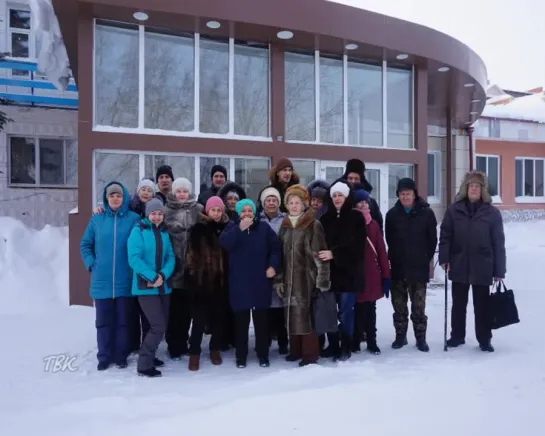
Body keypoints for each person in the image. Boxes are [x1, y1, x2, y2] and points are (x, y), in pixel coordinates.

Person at [439, 170, 506, 352]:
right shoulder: (454, 210)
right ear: (465, 189)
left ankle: (484, 339)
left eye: (477, 186)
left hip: (483, 265)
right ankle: (457, 336)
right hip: (459, 262)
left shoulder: (492, 213)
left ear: (483, 190)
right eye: (471, 186)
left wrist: (499, 270)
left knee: (482, 306)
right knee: (458, 305)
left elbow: (498, 243)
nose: (474, 189)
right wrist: (444, 258)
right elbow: (446, 235)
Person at [80, 181, 140, 371]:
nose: (115, 198)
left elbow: (139, 244)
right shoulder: (97, 220)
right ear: (107, 198)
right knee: (103, 323)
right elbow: (85, 244)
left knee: (123, 322)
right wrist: (91, 263)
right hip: (101, 281)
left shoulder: (134, 219)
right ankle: (104, 356)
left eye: (119, 195)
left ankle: (121, 355)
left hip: (125, 279)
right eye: (112, 195)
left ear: (124, 199)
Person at [219, 199, 281, 368]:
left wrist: (273, 266)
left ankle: (263, 355)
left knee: (262, 322)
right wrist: (239, 230)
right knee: (241, 323)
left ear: (254, 213)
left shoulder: (264, 228)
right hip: (240, 283)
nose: (247, 213)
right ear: (238, 213)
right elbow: (224, 243)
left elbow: (276, 248)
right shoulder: (232, 228)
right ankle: (241, 356)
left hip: (260, 281)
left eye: (250, 210)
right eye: (243, 211)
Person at [275, 185, 330, 366]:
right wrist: (279, 279)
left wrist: (321, 280)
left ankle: (309, 354)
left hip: (307, 279)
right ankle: (295, 350)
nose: (294, 206)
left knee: (307, 317)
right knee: (292, 315)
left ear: (304, 204)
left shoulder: (312, 224)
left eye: (297, 202)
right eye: (290, 202)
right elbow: (279, 256)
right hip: (289, 280)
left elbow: (321, 255)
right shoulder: (284, 226)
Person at [385, 178, 437, 352]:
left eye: (408, 193)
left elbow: (432, 240)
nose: (405, 196)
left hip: (418, 269)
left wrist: (424, 258)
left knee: (418, 307)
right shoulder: (392, 215)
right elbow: (389, 240)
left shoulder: (426, 213)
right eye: (402, 194)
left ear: (415, 194)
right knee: (399, 306)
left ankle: (420, 338)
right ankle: (400, 336)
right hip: (398, 268)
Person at [127, 198, 176, 377]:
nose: (156, 217)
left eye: (159, 213)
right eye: (153, 213)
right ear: (148, 214)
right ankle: (144, 364)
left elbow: (170, 258)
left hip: (163, 286)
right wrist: (152, 276)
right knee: (158, 325)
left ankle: (151, 356)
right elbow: (134, 259)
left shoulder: (164, 232)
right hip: (145, 286)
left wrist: (162, 275)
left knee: (151, 325)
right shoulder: (138, 231)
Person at [319, 181, 367, 361]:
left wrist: (335, 254)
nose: (337, 198)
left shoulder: (356, 218)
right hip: (330, 275)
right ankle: (333, 345)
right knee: (330, 312)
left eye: (340, 195)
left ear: (347, 197)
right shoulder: (325, 219)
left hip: (349, 273)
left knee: (346, 312)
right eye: (334, 195)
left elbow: (357, 246)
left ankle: (346, 345)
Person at [185, 196, 230, 370]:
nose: (216, 213)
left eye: (219, 210)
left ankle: (214, 349)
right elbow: (191, 256)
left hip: (220, 282)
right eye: (213, 210)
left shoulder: (227, 228)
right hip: (201, 282)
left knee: (219, 320)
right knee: (199, 321)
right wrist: (192, 279)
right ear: (207, 211)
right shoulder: (198, 229)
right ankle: (194, 351)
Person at [163, 177, 204, 360]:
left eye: (184, 191)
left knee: (188, 311)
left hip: (192, 270)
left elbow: (213, 220)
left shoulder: (198, 210)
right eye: (178, 191)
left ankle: (185, 342)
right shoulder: (166, 211)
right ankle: (174, 344)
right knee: (175, 311)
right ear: (173, 192)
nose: (181, 194)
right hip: (173, 268)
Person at [353, 189, 390, 355]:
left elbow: (381, 250)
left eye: (365, 202)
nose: (363, 204)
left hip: (372, 274)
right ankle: (355, 340)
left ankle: (371, 342)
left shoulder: (373, 224)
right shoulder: (350, 222)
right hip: (355, 274)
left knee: (371, 310)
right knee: (357, 311)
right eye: (360, 202)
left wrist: (386, 275)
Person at [257, 186, 289, 355]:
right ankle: (266, 340)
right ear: (263, 203)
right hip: (263, 268)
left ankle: (283, 341)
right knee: (266, 306)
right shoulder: (257, 220)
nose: (271, 203)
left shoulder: (286, 220)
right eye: (268, 200)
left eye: (274, 200)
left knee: (282, 307)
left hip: (283, 266)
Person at [337, 158, 383, 232]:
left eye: (356, 179)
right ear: (346, 179)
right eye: (350, 178)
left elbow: (378, 227)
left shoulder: (370, 202)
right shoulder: (338, 199)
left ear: (361, 180)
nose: (353, 181)